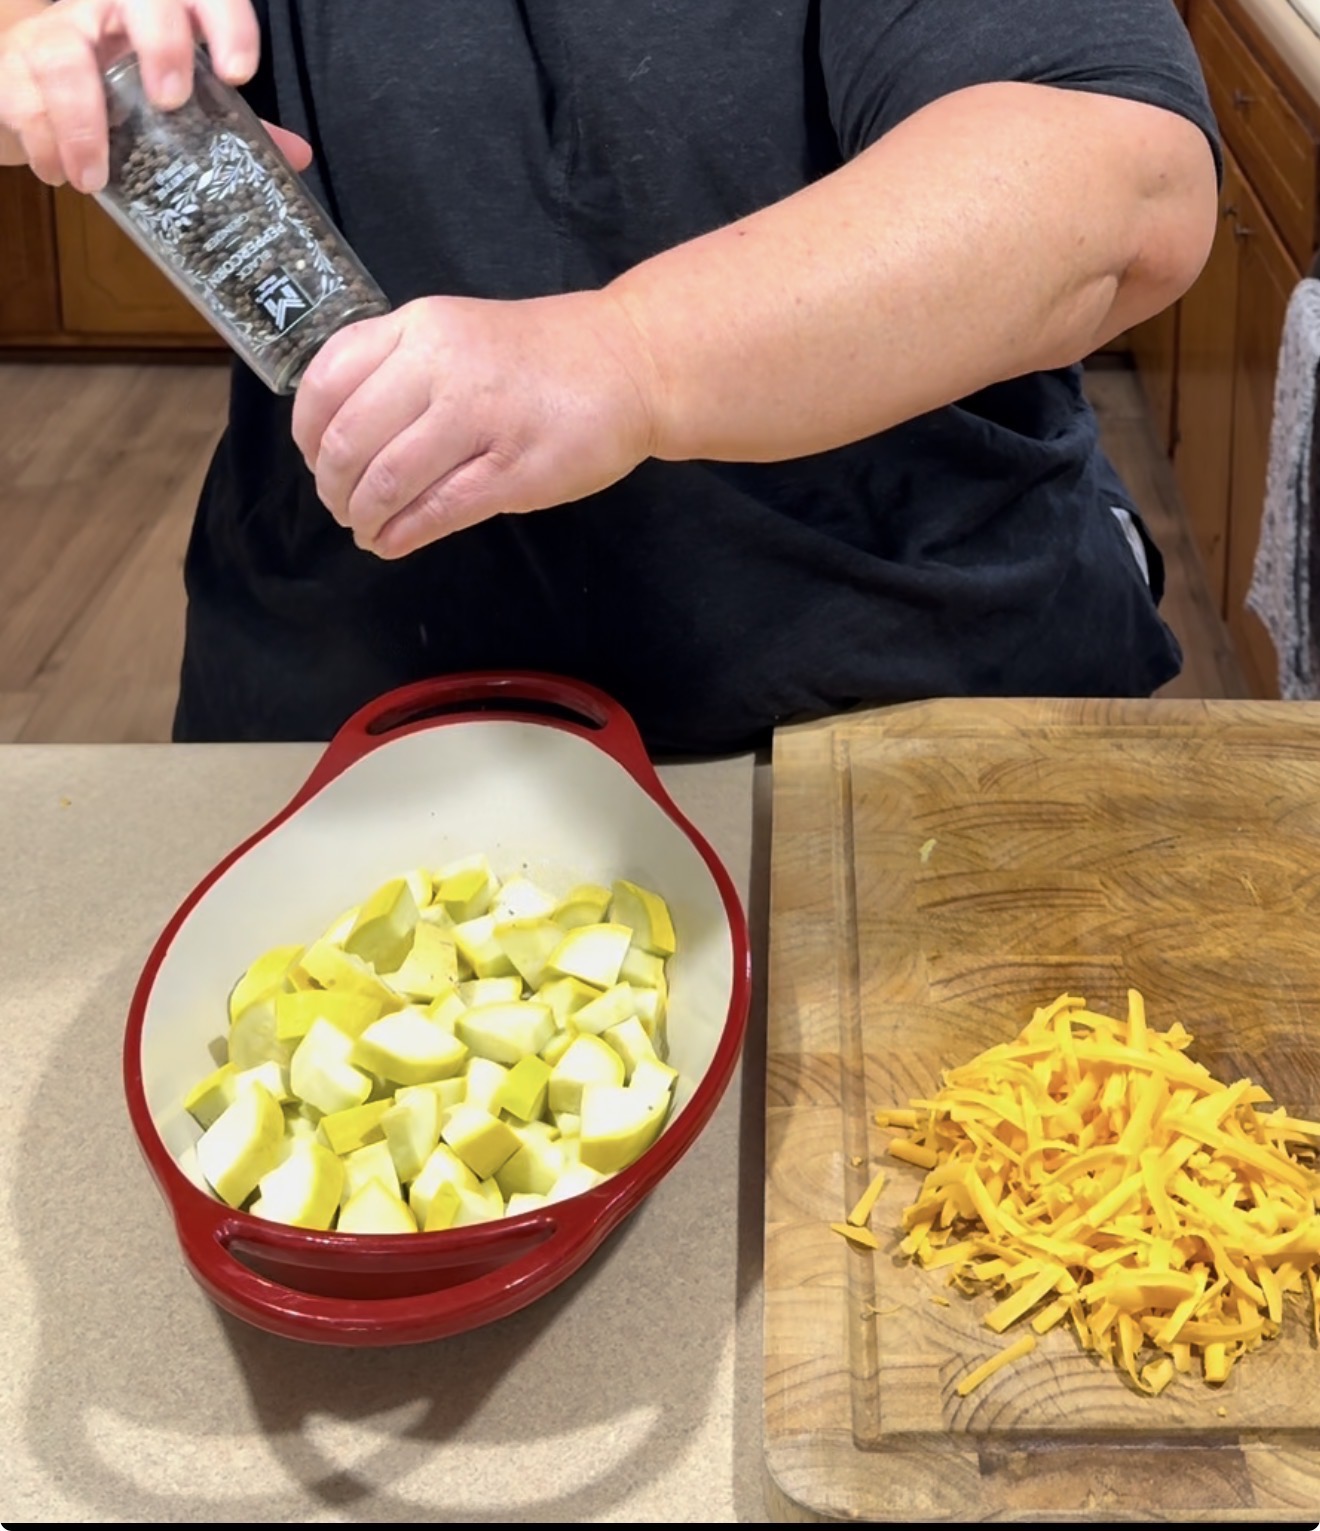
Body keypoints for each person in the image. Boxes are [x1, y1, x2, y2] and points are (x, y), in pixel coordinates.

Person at [0, 0, 1220, 754]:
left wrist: (630, 355)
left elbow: (1120, 183)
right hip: (354, 708)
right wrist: (44, 50)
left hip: (900, 704)